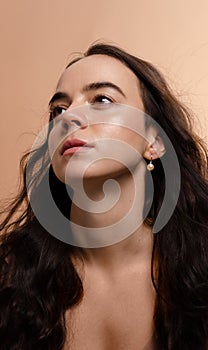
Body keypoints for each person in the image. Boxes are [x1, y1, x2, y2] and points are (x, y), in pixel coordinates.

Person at [0, 42, 208, 350]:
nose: (70, 118)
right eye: (59, 109)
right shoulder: (10, 277)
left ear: (155, 141)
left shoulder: (201, 265)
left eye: (102, 99)